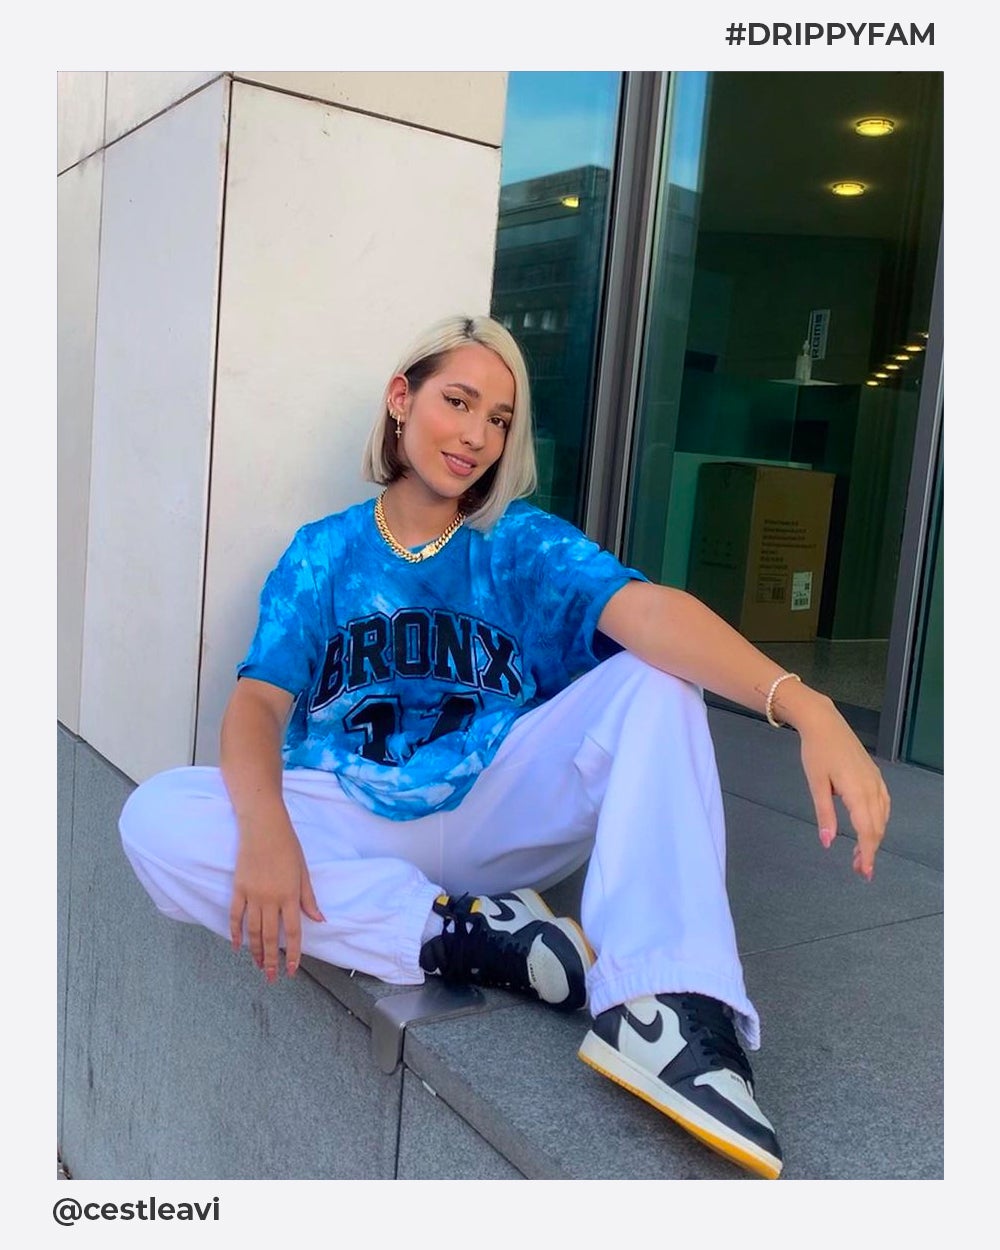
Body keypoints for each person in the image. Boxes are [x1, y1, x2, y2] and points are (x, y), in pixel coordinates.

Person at [119, 313, 890, 1181]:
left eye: (499, 419)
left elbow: (650, 613)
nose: (477, 436)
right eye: (458, 402)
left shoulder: (517, 543)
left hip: (496, 805)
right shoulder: (323, 554)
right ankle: (465, 936)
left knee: (657, 678)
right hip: (353, 819)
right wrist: (265, 829)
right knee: (155, 817)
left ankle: (665, 1003)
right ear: (401, 399)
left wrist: (806, 705)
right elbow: (257, 705)